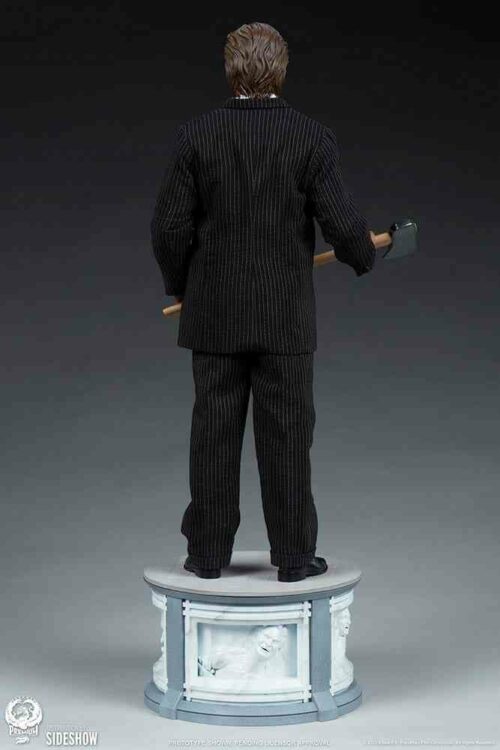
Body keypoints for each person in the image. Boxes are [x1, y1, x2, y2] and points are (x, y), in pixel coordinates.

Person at [150, 22, 376, 583]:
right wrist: (362, 255)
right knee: (288, 438)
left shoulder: (196, 136)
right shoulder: (310, 138)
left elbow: (168, 228)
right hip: (284, 320)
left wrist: (181, 287)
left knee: (213, 438)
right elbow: (343, 225)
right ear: (282, 70)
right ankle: (294, 557)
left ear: (230, 71)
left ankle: (206, 554)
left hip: (214, 316)